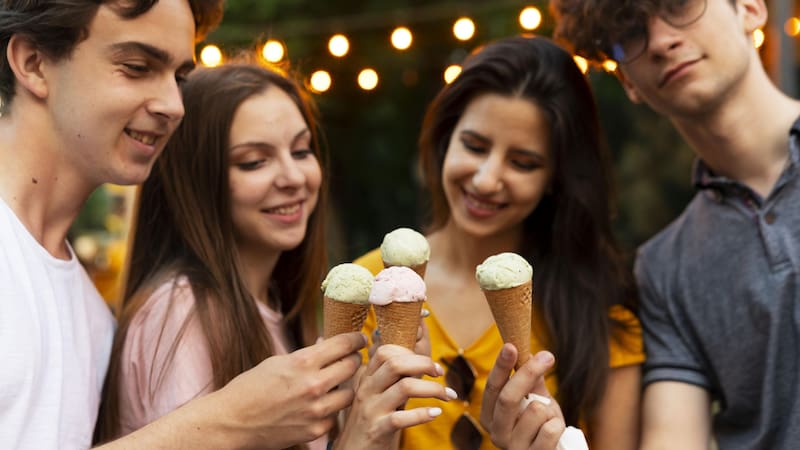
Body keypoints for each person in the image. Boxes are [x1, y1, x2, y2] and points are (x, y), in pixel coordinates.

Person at [0, 1, 367, 449]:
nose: (173, 105)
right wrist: (228, 421)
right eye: (137, 67)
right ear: (33, 63)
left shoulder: (91, 313)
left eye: (178, 77)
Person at [94, 61, 454, 449]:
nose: (293, 177)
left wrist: (379, 409)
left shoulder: (279, 306)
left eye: (301, 151)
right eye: (254, 161)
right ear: (197, 181)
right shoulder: (182, 314)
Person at [355, 35, 643, 450]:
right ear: (444, 140)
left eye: (523, 163)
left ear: (555, 180)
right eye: (474, 146)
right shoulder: (371, 286)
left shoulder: (603, 312)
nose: (487, 180)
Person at [550, 0, 800, 448]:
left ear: (750, 8)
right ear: (627, 81)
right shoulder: (662, 270)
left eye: (679, 5)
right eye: (629, 33)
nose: (662, 41)